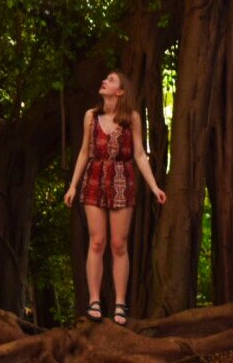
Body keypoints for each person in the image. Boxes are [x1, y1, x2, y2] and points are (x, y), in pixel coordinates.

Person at [63, 70, 166, 326]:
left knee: (119, 244)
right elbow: (84, 152)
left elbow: (139, 154)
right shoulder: (90, 116)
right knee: (97, 241)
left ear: (120, 92)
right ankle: (94, 301)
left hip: (122, 180)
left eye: (110, 80)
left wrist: (154, 187)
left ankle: (120, 303)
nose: (104, 82)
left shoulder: (132, 118)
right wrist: (73, 186)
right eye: (105, 79)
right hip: (94, 178)